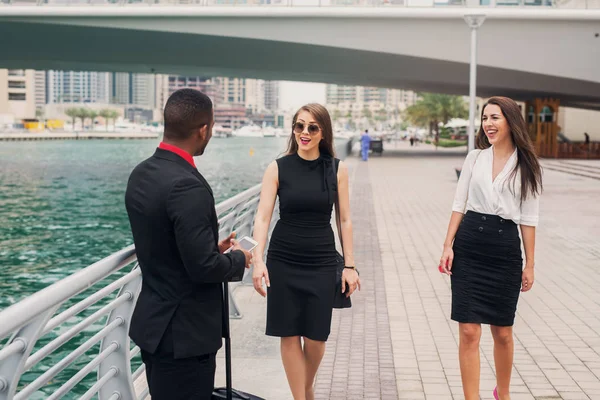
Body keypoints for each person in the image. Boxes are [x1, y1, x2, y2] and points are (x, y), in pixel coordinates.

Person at [125, 88, 253, 400]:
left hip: (154, 328)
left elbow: (164, 241)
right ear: (204, 129)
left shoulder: (141, 174)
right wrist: (239, 259)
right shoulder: (187, 185)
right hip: (185, 337)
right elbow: (203, 268)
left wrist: (211, 247)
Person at [251, 103, 361, 400]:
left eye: (312, 127)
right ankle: (302, 397)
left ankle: (307, 388)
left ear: (323, 131)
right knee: (289, 334)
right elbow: (262, 217)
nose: (304, 133)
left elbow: (345, 219)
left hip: (322, 260)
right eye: (299, 126)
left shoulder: (336, 170)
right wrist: (257, 260)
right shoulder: (277, 167)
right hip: (283, 259)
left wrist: (349, 265)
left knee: (316, 336)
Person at [439, 96, 542, 400]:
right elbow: (459, 204)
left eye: (494, 117)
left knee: (503, 331)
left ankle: (504, 394)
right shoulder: (475, 158)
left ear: (510, 121)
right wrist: (448, 245)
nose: (488, 124)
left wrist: (530, 264)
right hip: (470, 244)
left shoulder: (527, 166)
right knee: (469, 330)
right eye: (485, 118)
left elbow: (529, 218)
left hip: (504, 249)